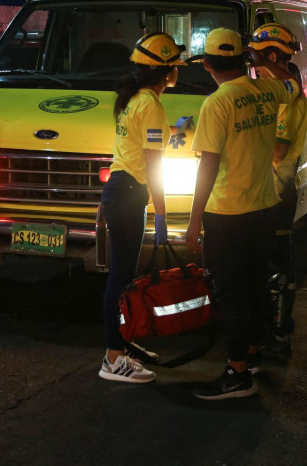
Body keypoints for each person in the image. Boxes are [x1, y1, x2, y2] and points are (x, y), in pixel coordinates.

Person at [184, 27, 300, 400]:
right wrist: (264, 61)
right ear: (243, 59)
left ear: (206, 64)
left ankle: (236, 375)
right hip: (265, 208)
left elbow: (208, 167)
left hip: (228, 212)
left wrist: (193, 220)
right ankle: (251, 356)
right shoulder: (265, 89)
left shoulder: (217, 103)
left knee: (231, 292)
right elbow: (293, 86)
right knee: (253, 287)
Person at [98, 32, 183, 384]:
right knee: (120, 277)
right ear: (167, 73)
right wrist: (162, 212)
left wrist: (177, 130)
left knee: (125, 276)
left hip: (122, 191)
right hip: (129, 193)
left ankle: (125, 343)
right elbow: (153, 166)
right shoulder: (150, 104)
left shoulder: (136, 99)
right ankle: (113, 358)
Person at [247, 23, 307, 363]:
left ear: (271, 56)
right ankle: (273, 329)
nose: (253, 67)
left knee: (278, 264)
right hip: (269, 191)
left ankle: (280, 332)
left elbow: (277, 151)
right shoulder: (279, 90)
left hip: (277, 191)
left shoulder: (287, 97)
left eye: (256, 59)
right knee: (270, 262)